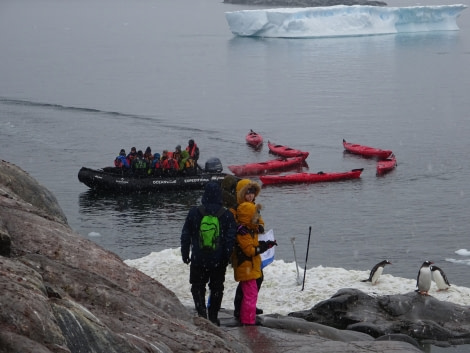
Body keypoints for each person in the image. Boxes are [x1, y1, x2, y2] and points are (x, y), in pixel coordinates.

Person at [180, 181, 237, 326]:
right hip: (218, 260)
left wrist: (185, 253)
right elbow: (230, 239)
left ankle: (201, 315)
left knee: (197, 286)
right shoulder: (226, 215)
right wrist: (227, 256)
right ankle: (213, 316)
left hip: (199, 258)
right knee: (217, 288)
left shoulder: (194, 212)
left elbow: (185, 234)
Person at [232, 201, 276, 326]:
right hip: (246, 267)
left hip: (250, 267)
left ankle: (245, 317)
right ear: (248, 217)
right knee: (250, 295)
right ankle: (248, 321)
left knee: (250, 294)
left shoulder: (250, 230)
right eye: (255, 217)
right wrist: (263, 247)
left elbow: (254, 246)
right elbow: (250, 250)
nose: (257, 219)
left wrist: (266, 244)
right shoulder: (243, 233)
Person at [233, 179, 265, 319]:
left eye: (252, 192)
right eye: (247, 193)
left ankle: (248, 306)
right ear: (241, 194)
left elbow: (260, 222)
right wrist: (238, 227)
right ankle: (242, 309)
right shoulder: (235, 209)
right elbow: (230, 224)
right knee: (248, 280)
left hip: (252, 247)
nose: (250, 195)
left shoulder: (253, 208)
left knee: (256, 279)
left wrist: (259, 226)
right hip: (242, 250)